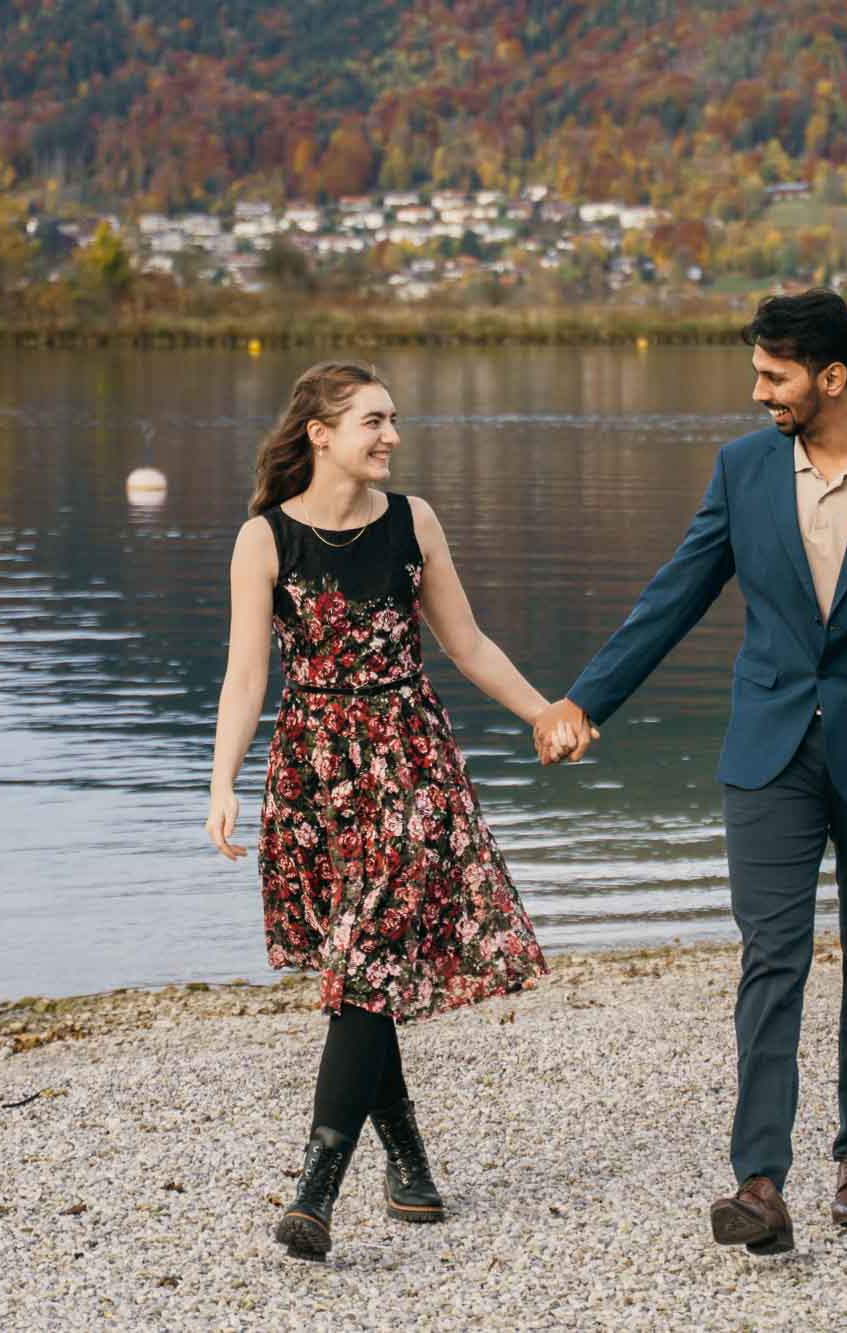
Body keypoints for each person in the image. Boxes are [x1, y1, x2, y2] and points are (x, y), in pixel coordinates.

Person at [534, 290, 847, 1255]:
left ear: (832, 377)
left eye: (775, 375)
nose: (758, 392)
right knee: (772, 957)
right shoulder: (742, 469)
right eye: (757, 372)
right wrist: (585, 700)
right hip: (768, 750)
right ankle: (759, 1181)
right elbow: (676, 593)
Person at [208, 360, 559, 1262]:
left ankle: (316, 1189)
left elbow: (468, 643)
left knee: (364, 961)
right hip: (314, 777)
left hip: (409, 764)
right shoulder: (264, 539)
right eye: (373, 420)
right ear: (320, 433)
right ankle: (408, 1159)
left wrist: (543, 712)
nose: (392, 435)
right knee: (360, 968)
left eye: (392, 418)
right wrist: (222, 781)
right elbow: (246, 676)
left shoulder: (414, 521)